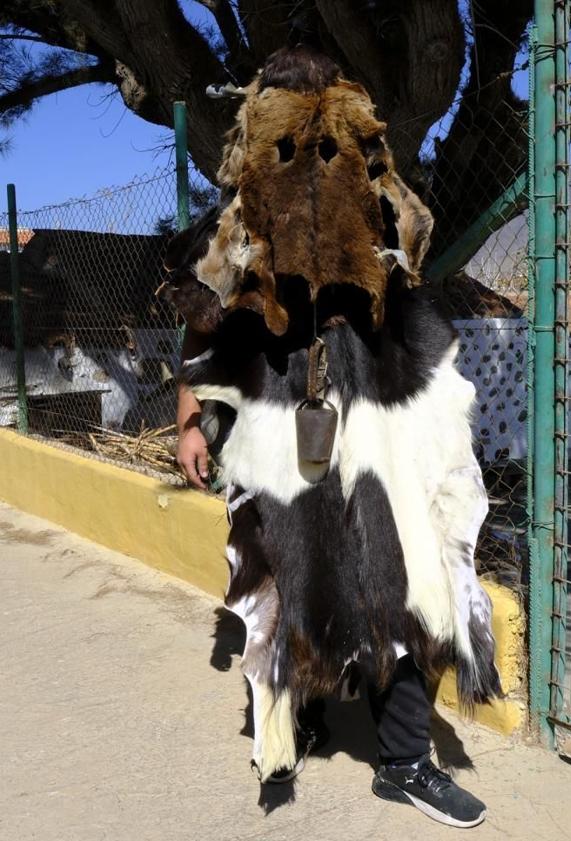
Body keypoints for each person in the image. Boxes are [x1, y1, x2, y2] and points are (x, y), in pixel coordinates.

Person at [169, 45, 499, 829]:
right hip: (277, 418)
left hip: (380, 408)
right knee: (291, 568)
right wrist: (189, 417)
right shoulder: (239, 216)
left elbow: (412, 262)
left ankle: (405, 760)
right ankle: (305, 707)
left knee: (405, 572)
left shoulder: (380, 193)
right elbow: (203, 325)